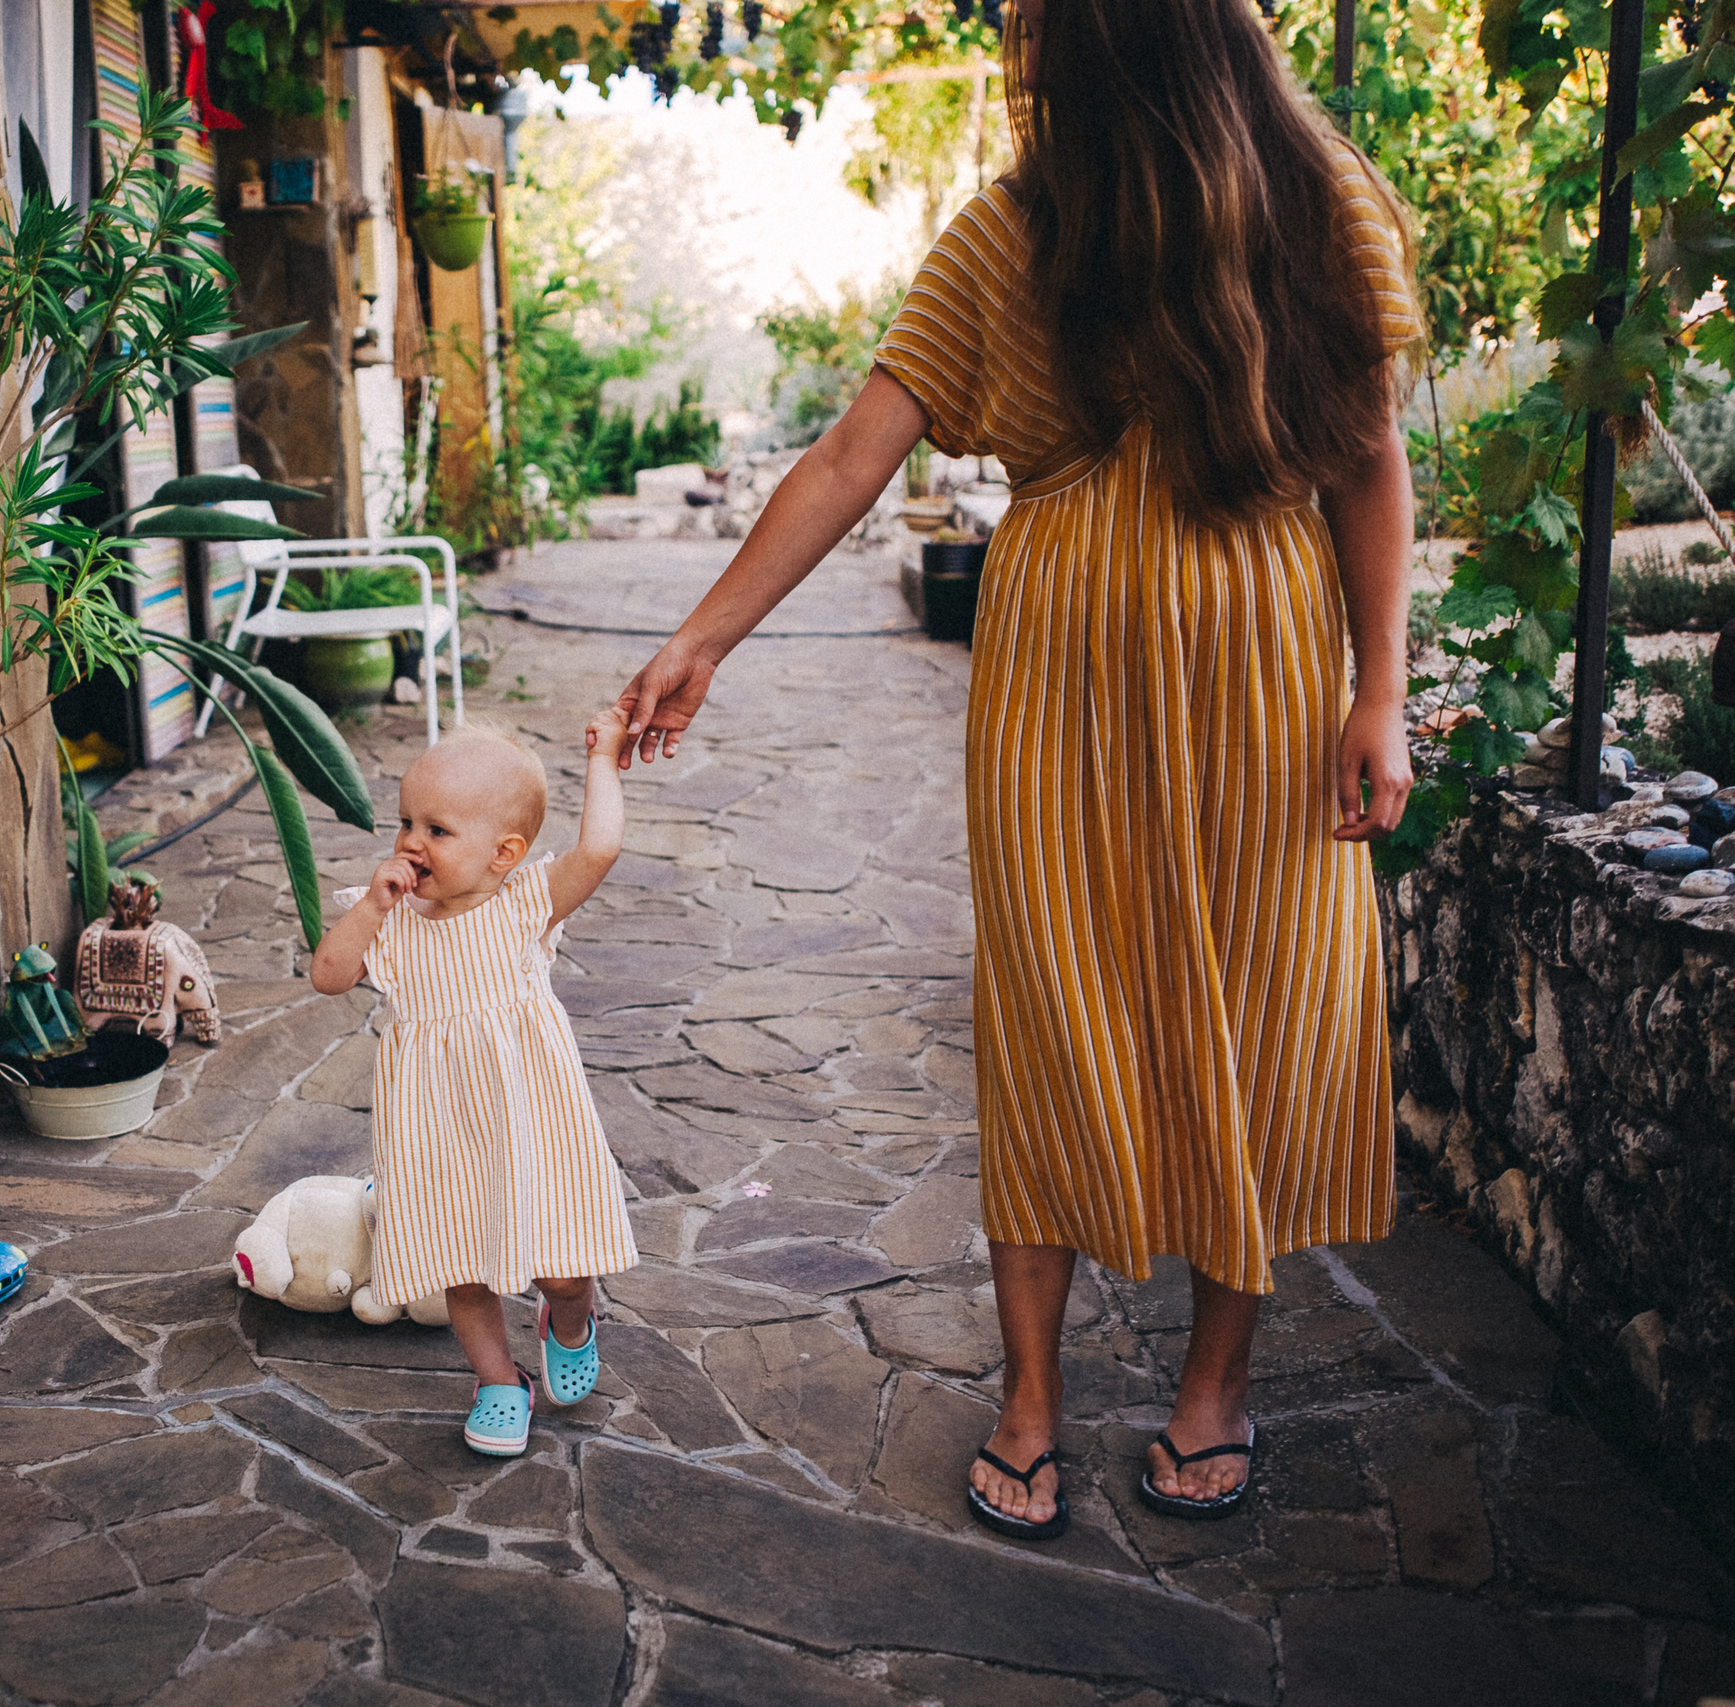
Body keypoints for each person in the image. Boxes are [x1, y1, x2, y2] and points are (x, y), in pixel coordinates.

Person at [611, 0, 1419, 1540]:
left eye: (1042, 28)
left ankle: (1214, 1390)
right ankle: (1032, 1395)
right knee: (1050, 1009)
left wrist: (1381, 688)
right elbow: (861, 446)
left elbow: (1369, 451)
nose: (1018, 56)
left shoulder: (1319, 203)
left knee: (1256, 1000)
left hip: (1266, 667)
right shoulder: (1018, 225)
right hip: (1056, 673)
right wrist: (703, 637)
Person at [309, 715, 643, 1455]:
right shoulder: (393, 926)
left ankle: (569, 1318)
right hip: (437, 1129)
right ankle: (498, 1379)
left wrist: (604, 761)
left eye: (437, 828)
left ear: (505, 853)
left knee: (562, 1266)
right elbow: (327, 975)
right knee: (462, 1266)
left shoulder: (524, 904)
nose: (410, 842)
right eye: (405, 822)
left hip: (531, 1118)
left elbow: (600, 846)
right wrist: (369, 906)